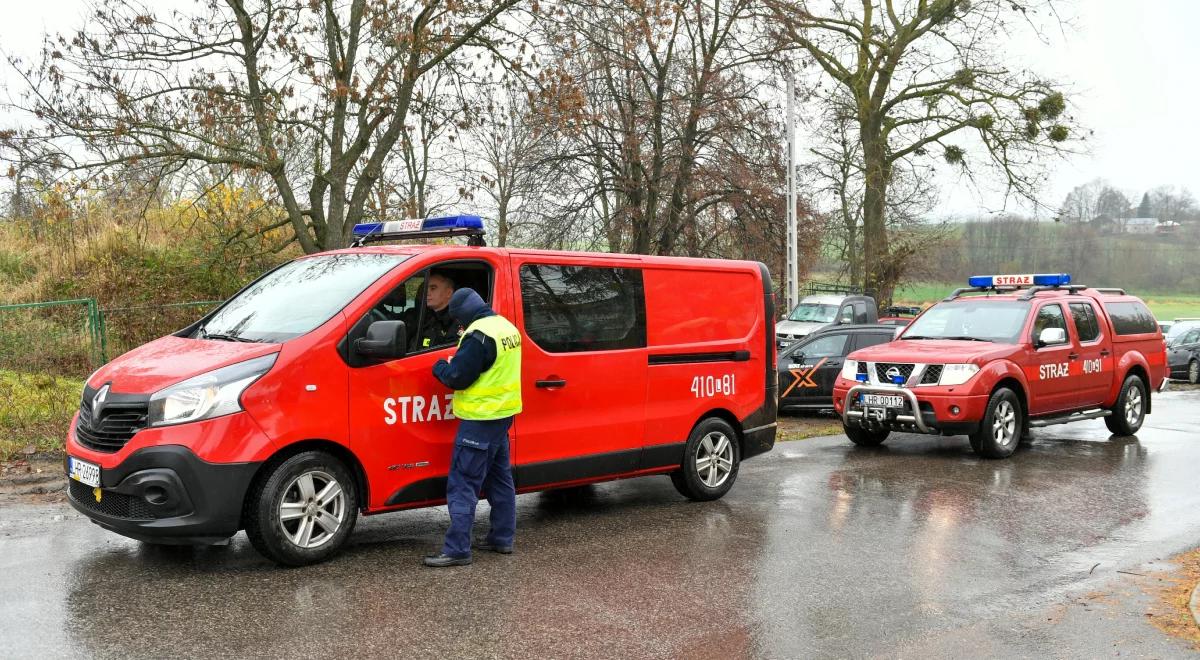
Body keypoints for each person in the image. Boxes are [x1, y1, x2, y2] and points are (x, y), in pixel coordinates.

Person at [423, 287, 523, 568]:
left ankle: (457, 549)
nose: (460, 326)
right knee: (500, 480)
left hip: (480, 419)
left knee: (463, 484)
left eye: (459, 320)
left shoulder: (478, 336)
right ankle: (502, 538)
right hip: (502, 415)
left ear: (463, 315)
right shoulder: (505, 327)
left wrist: (439, 366)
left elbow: (458, 377)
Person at [413, 271, 462, 351]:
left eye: (433, 288)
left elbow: (448, 353)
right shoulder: (423, 317)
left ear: (449, 293)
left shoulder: (455, 322)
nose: (427, 293)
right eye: (426, 288)